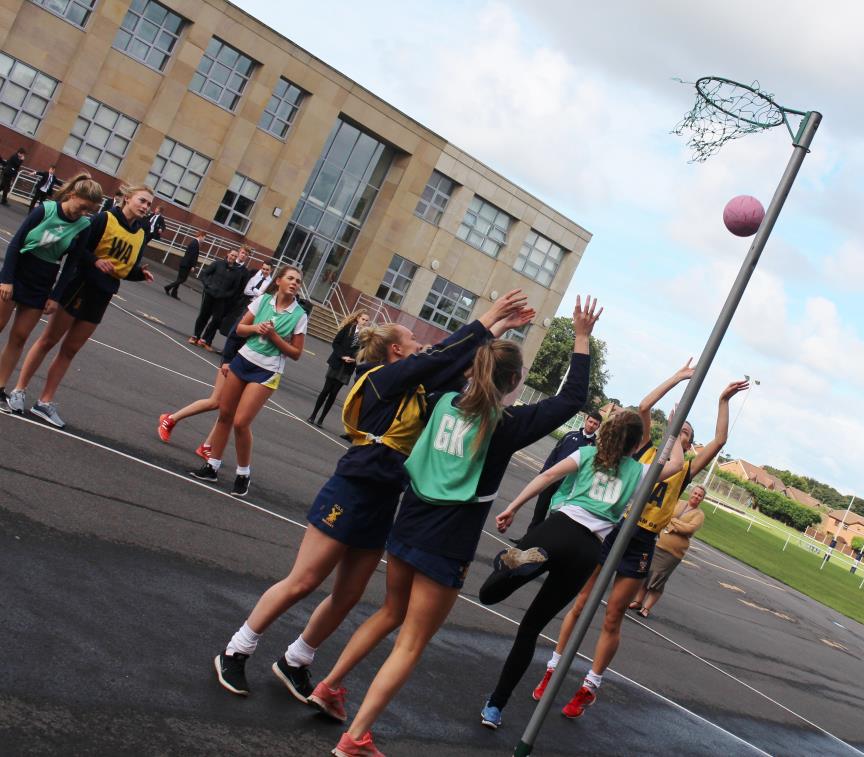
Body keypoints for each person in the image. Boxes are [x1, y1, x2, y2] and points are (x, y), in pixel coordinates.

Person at [210, 290, 531, 709]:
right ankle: (237, 648)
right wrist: (487, 318)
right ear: (397, 351)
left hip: (384, 499)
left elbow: (455, 368)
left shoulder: (414, 388)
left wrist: (495, 333)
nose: (422, 348)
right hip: (352, 489)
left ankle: (296, 660)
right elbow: (440, 359)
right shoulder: (382, 378)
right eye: (414, 345)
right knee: (304, 581)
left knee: (348, 594)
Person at [316, 296, 600, 757]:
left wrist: (490, 324)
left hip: (408, 521)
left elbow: (442, 359)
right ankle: (355, 739)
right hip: (446, 540)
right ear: (514, 381)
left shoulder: (443, 401)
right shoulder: (504, 424)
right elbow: (571, 399)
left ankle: (328, 685)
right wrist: (582, 338)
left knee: (390, 612)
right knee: (411, 642)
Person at [533, 378, 751, 721]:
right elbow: (645, 407)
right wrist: (678, 380)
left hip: (644, 540)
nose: (680, 436)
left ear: (689, 444)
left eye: (686, 436)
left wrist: (723, 401)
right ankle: (553, 667)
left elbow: (721, 440)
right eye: (677, 430)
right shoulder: (645, 450)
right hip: (616, 529)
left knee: (613, 614)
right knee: (581, 602)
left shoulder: (686, 470)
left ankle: (590, 684)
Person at [476, 409, 684, 730]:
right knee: (530, 629)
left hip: (559, 528)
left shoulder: (587, 453)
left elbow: (547, 477)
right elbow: (676, 465)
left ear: (608, 432)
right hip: (588, 550)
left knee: (489, 593)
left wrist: (512, 507)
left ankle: (518, 561)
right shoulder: (639, 472)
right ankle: (495, 707)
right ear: (634, 445)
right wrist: (675, 431)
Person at [7, 184, 155, 427]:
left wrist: (139, 274)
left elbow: (123, 268)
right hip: (79, 285)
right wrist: (95, 261)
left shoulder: (140, 234)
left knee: (70, 350)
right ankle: (19, 389)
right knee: (48, 340)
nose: (145, 207)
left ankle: (44, 402)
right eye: (142, 200)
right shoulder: (103, 219)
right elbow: (78, 249)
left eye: (149, 204)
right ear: (127, 199)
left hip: (103, 294)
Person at [188, 265, 308, 496]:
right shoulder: (263, 300)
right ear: (279, 281)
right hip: (243, 360)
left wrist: (273, 337)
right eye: (290, 278)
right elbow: (241, 329)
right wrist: (256, 328)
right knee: (225, 414)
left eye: (298, 281)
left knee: (241, 422)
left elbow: (296, 353)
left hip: (267, 370)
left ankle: (243, 473)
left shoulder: (299, 316)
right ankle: (212, 466)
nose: (294, 283)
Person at [0, 174, 103, 414]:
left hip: (43, 281)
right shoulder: (45, 210)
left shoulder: (83, 226)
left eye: (90, 210)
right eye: (82, 206)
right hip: (18, 273)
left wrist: (55, 296)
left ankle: (1, 386)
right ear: (71, 196)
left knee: (20, 337)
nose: (84, 213)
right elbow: (16, 244)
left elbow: (71, 264)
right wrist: (6, 280)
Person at [157, 324, 246, 459]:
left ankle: (207, 446)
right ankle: (170, 419)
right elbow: (235, 333)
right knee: (215, 402)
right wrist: (227, 360)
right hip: (234, 360)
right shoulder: (261, 305)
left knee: (231, 410)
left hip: (251, 367)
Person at [513, 409, 602, 543]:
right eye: (590, 421)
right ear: (586, 420)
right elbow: (554, 454)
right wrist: (544, 473)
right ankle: (527, 540)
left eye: (595, 424)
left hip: (568, 488)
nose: (591, 425)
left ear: (598, 427)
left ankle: (543, 545)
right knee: (539, 512)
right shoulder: (569, 436)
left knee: (554, 519)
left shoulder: (595, 447)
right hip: (550, 480)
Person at [630, 484, 706, 618]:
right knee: (645, 573)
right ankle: (637, 601)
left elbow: (689, 530)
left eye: (700, 495)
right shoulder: (678, 502)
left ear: (702, 499)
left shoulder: (699, 515)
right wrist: (676, 523)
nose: (696, 496)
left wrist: (673, 522)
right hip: (657, 545)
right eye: (695, 493)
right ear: (691, 493)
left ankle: (646, 608)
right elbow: (665, 515)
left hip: (673, 553)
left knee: (659, 579)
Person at [307, 309, 369, 427]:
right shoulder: (348, 328)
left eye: (367, 320)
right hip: (337, 363)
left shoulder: (365, 336)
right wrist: (342, 356)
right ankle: (313, 415)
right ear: (357, 319)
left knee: (334, 393)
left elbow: (363, 353)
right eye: (363, 319)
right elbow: (336, 343)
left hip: (347, 368)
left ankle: (321, 419)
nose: (365, 322)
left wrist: (354, 359)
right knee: (326, 390)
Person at [189, 249, 243, 350]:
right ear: (228, 254)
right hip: (209, 294)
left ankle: (204, 339)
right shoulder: (218, 264)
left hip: (221, 299)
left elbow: (235, 289)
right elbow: (205, 274)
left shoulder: (237, 272)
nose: (233, 257)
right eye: (232, 255)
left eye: (235, 256)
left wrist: (226, 294)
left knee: (217, 320)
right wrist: (208, 286)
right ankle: (195, 336)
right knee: (203, 316)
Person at [163, 231, 205, 298]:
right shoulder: (195, 243)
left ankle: (174, 293)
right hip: (186, 264)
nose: (204, 240)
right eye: (204, 238)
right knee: (182, 279)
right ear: (200, 236)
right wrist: (192, 266)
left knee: (179, 279)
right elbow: (192, 256)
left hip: (184, 263)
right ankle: (168, 287)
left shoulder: (194, 242)